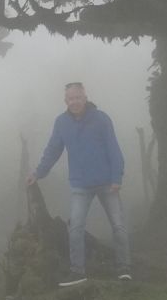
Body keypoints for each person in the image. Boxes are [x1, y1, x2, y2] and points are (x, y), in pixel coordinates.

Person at [25, 82, 132, 285]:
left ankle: (124, 269)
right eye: (70, 98)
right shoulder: (61, 123)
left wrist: (117, 177)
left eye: (78, 97)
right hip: (80, 184)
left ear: (85, 97)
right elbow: (53, 150)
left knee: (118, 226)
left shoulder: (101, 119)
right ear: (66, 101)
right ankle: (77, 272)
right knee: (75, 227)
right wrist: (38, 172)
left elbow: (113, 149)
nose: (74, 101)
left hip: (107, 182)